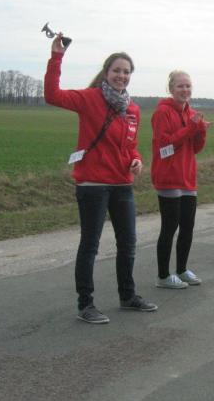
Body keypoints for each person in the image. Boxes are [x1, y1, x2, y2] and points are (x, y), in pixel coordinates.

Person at [44, 34, 157, 325]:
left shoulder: (132, 109)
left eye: (126, 72)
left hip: (122, 184)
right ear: (106, 72)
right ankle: (86, 304)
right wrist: (57, 57)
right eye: (117, 70)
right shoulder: (90, 98)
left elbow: (130, 145)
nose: (122, 76)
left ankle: (127, 296)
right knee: (90, 245)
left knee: (128, 243)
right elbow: (52, 95)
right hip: (93, 185)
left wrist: (137, 159)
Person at [150, 70, 209, 288]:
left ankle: (182, 270)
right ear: (171, 89)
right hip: (168, 176)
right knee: (169, 227)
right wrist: (192, 128)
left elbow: (195, 148)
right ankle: (163, 276)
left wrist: (200, 131)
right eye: (180, 86)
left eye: (188, 86)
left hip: (187, 177)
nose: (185, 90)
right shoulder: (162, 113)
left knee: (187, 226)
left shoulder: (191, 113)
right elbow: (166, 145)